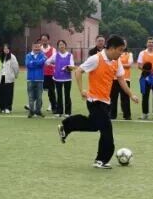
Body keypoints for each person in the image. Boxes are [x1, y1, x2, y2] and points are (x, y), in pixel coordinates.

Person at [57, 35, 140, 170]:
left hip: (105, 102)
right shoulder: (96, 59)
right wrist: (82, 90)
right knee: (107, 130)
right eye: (120, 50)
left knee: (93, 125)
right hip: (95, 101)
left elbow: (121, 79)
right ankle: (101, 160)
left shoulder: (116, 61)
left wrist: (131, 95)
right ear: (112, 48)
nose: (121, 53)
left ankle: (66, 126)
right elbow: (78, 71)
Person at [51, 40, 75, 117]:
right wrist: (54, 67)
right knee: (59, 95)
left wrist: (68, 68)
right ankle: (59, 111)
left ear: (65, 45)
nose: (61, 46)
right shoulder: (55, 55)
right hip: (57, 78)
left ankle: (68, 112)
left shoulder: (70, 55)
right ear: (58, 46)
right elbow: (47, 62)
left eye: (63, 44)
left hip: (67, 78)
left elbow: (72, 65)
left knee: (67, 95)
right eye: (60, 45)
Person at [110, 45, 133, 120]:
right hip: (114, 78)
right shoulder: (114, 54)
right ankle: (112, 115)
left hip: (125, 78)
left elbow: (129, 65)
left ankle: (127, 115)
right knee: (113, 97)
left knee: (125, 97)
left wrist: (118, 65)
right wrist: (122, 65)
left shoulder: (129, 54)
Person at [25, 42, 46, 118]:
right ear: (32, 47)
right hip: (30, 79)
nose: (37, 49)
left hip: (40, 79)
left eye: (38, 47)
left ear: (40, 48)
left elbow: (41, 63)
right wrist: (37, 63)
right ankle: (31, 111)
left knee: (39, 97)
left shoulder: (43, 55)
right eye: (35, 47)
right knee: (31, 96)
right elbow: (28, 65)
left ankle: (38, 111)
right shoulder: (28, 55)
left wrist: (33, 62)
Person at [40, 34, 58, 117]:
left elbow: (55, 61)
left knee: (51, 92)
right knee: (38, 91)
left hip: (50, 74)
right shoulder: (39, 49)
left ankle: (54, 107)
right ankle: (37, 107)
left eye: (45, 40)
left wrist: (48, 62)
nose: (44, 41)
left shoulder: (53, 50)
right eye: (42, 40)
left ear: (48, 40)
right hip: (40, 73)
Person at [0, 44, 19, 114]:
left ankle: (8, 108)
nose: (6, 50)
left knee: (9, 94)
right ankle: (2, 108)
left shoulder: (12, 57)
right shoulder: (1, 56)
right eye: (4, 49)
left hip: (9, 78)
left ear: (9, 49)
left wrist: (15, 75)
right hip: (1, 77)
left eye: (7, 49)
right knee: (1, 93)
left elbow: (16, 67)